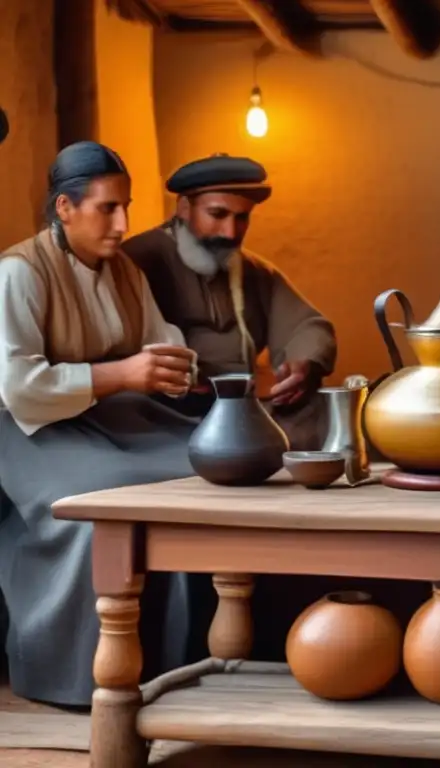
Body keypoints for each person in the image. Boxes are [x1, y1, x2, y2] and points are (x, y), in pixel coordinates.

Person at [0, 142, 204, 706]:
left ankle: (175, 659)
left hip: (115, 422)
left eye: (126, 207)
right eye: (106, 208)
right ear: (64, 208)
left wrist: (173, 366)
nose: (122, 223)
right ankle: (83, 674)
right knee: (105, 504)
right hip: (29, 433)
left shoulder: (124, 270)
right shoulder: (19, 272)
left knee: (198, 476)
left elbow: (161, 339)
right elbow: (18, 387)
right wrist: (121, 374)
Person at [121, 154, 337, 451]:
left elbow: (308, 325)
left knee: (320, 408)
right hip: (168, 413)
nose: (230, 232)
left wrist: (302, 364)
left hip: (243, 410)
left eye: (242, 218)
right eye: (218, 214)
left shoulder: (255, 271)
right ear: (184, 208)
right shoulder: (136, 261)